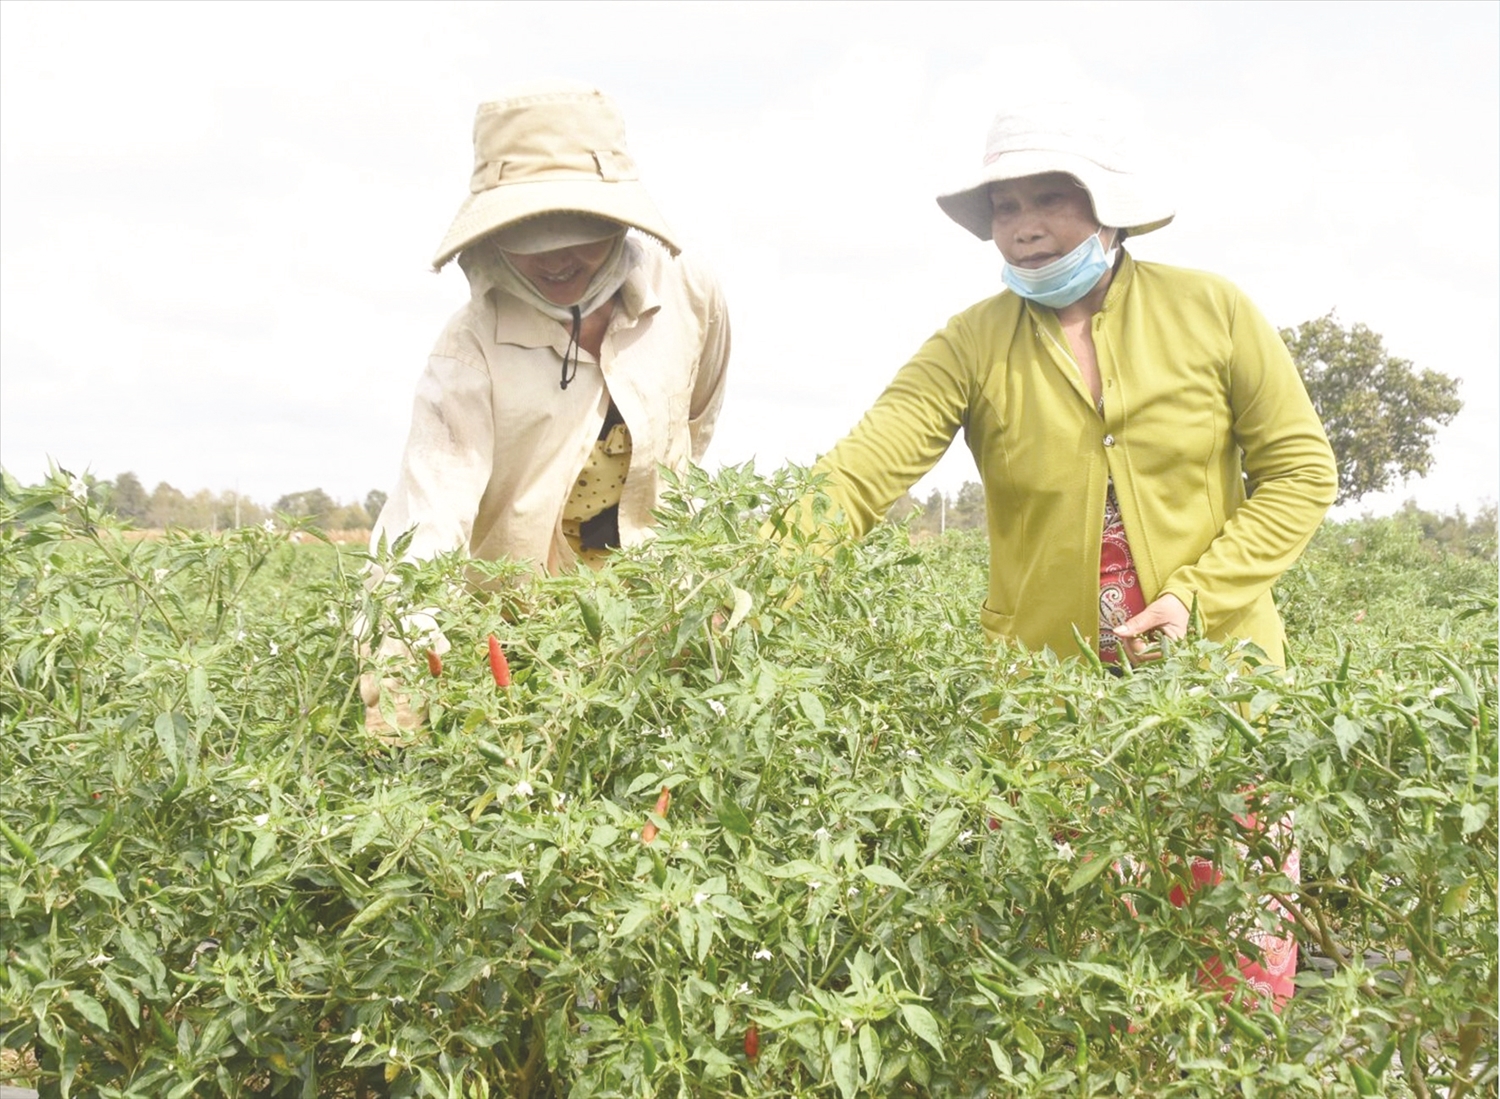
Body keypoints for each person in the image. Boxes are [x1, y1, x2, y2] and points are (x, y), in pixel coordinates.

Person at [802, 103, 1338, 1005]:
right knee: (1085, 976)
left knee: (1236, 964)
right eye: (1006, 206)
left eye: (1052, 197)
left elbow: (1299, 471)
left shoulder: (1212, 310)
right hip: (1054, 709)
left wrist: (1197, 600)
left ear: (1109, 209)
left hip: (1227, 691)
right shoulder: (970, 343)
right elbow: (857, 475)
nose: (1025, 224)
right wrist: (743, 576)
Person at [362, 83, 730, 725]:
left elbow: (692, 430)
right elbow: (425, 525)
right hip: (520, 648)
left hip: (656, 634)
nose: (557, 257)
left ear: (618, 219)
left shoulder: (690, 296)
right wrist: (399, 686)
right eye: (529, 233)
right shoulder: (468, 353)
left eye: (579, 231)